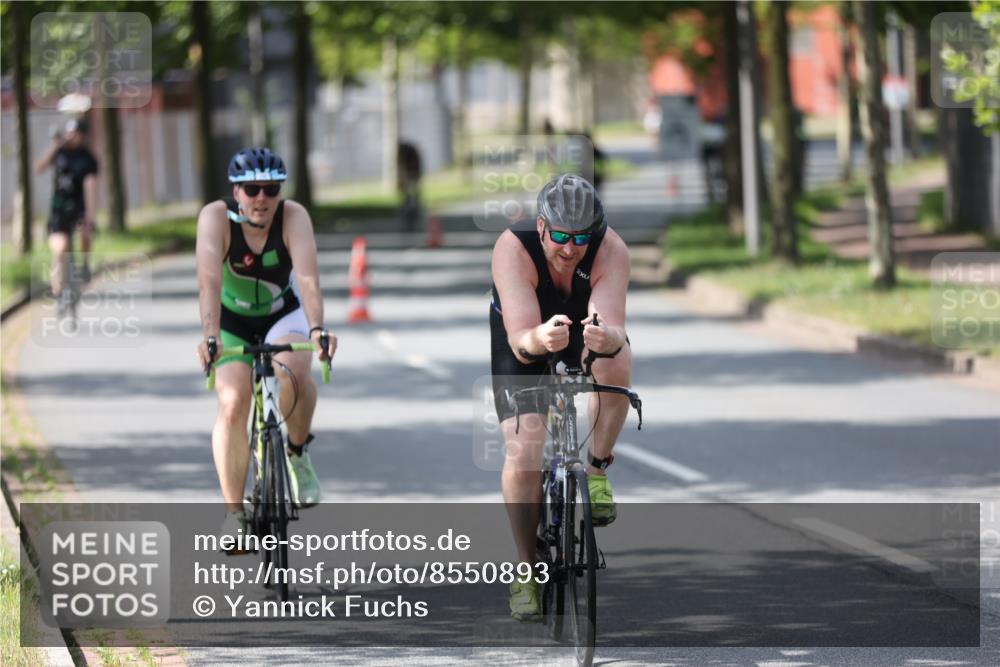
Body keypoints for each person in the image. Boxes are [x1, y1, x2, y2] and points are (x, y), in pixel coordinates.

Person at [489, 173, 632, 621]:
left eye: (581, 238)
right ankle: (526, 568)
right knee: (525, 446)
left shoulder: (612, 250)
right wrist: (539, 339)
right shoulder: (514, 249)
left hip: (583, 330)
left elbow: (612, 330)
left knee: (617, 361)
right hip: (529, 333)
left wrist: (605, 338)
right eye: (561, 237)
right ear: (542, 226)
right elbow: (519, 340)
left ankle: (596, 470)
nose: (570, 249)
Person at [195, 147, 336, 549]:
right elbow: (209, 282)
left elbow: (308, 279)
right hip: (232, 321)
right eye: (252, 188)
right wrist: (210, 335)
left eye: (271, 189)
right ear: (235, 191)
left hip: (283, 316)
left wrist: (318, 328)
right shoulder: (215, 218)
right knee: (233, 402)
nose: (262, 198)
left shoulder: (294, 216)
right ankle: (234, 514)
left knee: (293, 370)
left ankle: (294, 454)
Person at [35, 117, 98, 309]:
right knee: (60, 249)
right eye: (70, 133)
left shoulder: (88, 159)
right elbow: (39, 168)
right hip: (59, 209)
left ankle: (85, 264)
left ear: (83, 135)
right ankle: (59, 293)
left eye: (76, 133)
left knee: (85, 232)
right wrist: (55, 146)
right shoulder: (59, 152)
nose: (72, 136)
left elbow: (90, 187)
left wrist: (90, 216)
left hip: (79, 208)